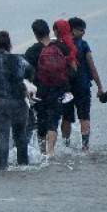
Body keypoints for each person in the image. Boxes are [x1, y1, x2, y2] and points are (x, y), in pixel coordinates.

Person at [0, 30, 33, 170]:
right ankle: (23, 166)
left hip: (0, 100)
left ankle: (2, 168)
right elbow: (30, 71)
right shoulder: (19, 59)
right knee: (20, 134)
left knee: (2, 135)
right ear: (9, 45)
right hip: (18, 100)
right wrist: (26, 83)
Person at [24, 19, 68, 159]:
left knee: (42, 120)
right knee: (54, 121)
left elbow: (26, 74)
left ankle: (43, 152)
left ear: (35, 34)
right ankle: (51, 152)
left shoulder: (32, 51)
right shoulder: (61, 47)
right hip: (58, 89)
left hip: (40, 91)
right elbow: (70, 68)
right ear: (49, 31)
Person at [64, 17, 104, 152]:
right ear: (73, 30)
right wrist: (99, 86)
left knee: (67, 117)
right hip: (83, 86)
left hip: (66, 87)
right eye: (81, 29)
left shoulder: (62, 45)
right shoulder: (83, 45)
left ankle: (66, 146)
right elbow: (92, 66)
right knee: (84, 116)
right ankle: (85, 147)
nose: (84, 32)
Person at [51, 19, 79, 148]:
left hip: (54, 86)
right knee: (67, 116)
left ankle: (51, 146)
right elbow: (74, 69)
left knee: (54, 116)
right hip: (68, 87)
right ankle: (66, 144)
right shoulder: (70, 46)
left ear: (57, 31)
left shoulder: (53, 46)